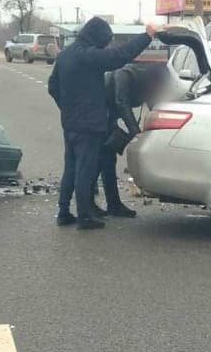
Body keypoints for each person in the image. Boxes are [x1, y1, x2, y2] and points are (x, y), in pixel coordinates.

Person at [48, 16, 156, 230]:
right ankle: (85, 217)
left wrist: (67, 108)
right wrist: (147, 36)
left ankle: (63, 212)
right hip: (88, 124)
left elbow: (52, 86)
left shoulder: (66, 55)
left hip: (70, 123)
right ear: (96, 37)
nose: (106, 45)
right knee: (84, 170)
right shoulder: (87, 55)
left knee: (70, 168)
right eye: (105, 40)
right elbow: (119, 56)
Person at [98, 64, 169, 218]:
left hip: (111, 114)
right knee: (104, 157)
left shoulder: (150, 86)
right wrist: (136, 132)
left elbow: (154, 107)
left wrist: (162, 129)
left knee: (107, 158)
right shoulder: (125, 74)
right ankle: (97, 202)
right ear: (150, 78)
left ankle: (111, 203)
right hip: (97, 111)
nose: (157, 89)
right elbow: (121, 102)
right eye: (157, 85)